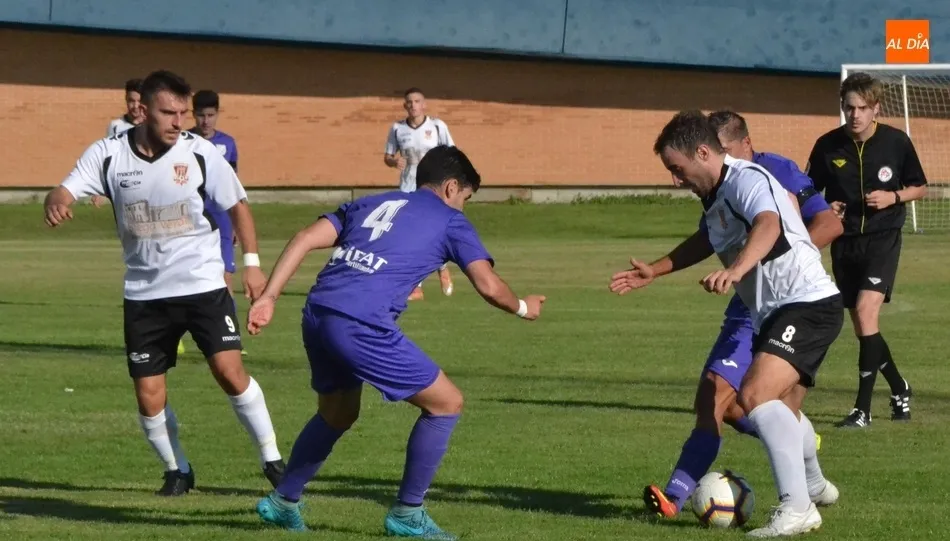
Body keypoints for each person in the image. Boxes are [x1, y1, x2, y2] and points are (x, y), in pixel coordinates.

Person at [247, 145, 546, 538]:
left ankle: (283, 501)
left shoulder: (371, 202)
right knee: (446, 404)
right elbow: (489, 286)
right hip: (360, 324)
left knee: (337, 414)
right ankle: (408, 512)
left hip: (318, 314)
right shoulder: (450, 221)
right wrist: (525, 307)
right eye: (466, 199)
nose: (463, 208)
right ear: (452, 186)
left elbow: (303, 237)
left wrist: (269, 297)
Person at [44, 70, 284, 496]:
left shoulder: (200, 153)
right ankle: (177, 470)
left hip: (202, 283)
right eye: (168, 112)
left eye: (183, 113)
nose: (178, 121)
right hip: (144, 294)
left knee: (229, 371)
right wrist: (57, 203)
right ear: (143, 111)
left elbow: (238, 205)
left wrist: (251, 263)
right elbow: (64, 190)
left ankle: (272, 459)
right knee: (149, 395)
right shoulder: (108, 154)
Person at [611, 111, 844, 537]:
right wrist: (656, 270)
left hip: (807, 304)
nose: (676, 180)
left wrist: (736, 271)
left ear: (703, 153)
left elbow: (768, 224)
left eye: (677, 169)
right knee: (778, 408)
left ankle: (798, 508)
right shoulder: (716, 196)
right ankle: (811, 484)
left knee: (753, 396)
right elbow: (706, 239)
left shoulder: (745, 179)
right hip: (778, 311)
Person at [806, 72, 928, 429]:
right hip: (844, 242)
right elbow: (808, 194)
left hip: (883, 238)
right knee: (863, 325)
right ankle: (900, 387)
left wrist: (894, 196)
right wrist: (826, 210)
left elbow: (920, 186)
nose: (854, 115)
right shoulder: (827, 145)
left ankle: (863, 410)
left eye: (862, 108)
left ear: (876, 108)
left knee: (865, 311)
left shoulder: (896, 142)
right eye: (848, 107)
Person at [384, 87, 456, 301]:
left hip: (433, 187)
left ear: (424, 105)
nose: (413, 105)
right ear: (405, 106)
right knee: (411, 234)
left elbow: (452, 153)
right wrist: (393, 161)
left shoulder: (437, 126)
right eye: (409, 102)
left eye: (417, 101)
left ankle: (442, 267)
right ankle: (416, 286)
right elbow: (387, 156)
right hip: (408, 187)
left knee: (432, 230)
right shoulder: (397, 128)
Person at [189, 89, 245, 356]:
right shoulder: (184, 141)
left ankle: (230, 336)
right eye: (201, 115)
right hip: (191, 218)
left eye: (210, 115)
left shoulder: (228, 144)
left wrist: (234, 225)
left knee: (225, 278)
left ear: (217, 115)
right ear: (193, 115)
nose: (205, 121)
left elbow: (233, 187)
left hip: (221, 219)